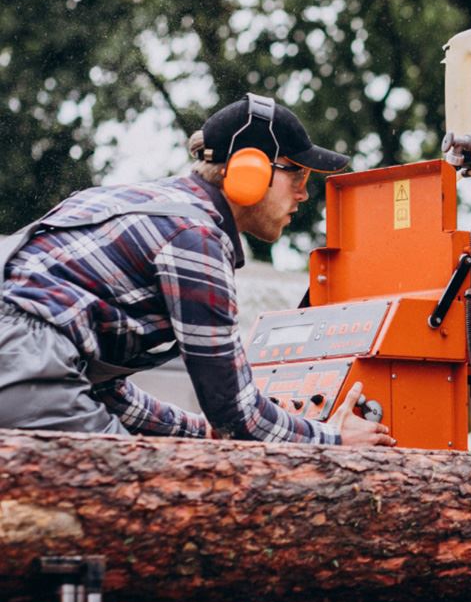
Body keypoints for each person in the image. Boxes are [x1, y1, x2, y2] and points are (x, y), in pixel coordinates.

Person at [0, 93, 395, 448]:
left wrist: (203, 430)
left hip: (24, 363)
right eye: (297, 174)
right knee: (144, 495)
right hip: (26, 364)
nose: (304, 193)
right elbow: (237, 416)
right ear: (249, 170)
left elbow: (105, 391)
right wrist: (335, 439)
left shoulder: (141, 205)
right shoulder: (194, 238)